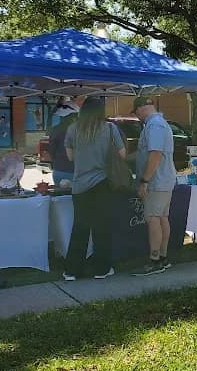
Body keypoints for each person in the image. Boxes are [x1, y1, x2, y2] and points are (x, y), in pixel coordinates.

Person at [63, 97, 125, 281]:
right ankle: (102, 269)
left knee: (80, 227)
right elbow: (122, 154)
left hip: (80, 185)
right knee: (101, 227)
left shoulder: (73, 129)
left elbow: (70, 156)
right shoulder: (109, 128)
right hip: (102, 182)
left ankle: (71, 271)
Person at [131, 96, 177, 276]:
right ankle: (163, 258)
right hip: (163, 180)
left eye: (136, 114)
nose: (137, 118)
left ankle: (155, 260)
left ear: (141, 109)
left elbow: (155, 154)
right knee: (162, 217)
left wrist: (144, 180)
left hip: (156, 181)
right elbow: (146, 152)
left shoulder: (154, 125)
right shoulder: (158, 123)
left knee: (153, 219)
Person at [47, 101, 78, 186]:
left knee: (60, 197)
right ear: (72, 116)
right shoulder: (80, 130)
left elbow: (51, 150)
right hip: (75, 172)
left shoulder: (55, 130)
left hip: (59, 170)